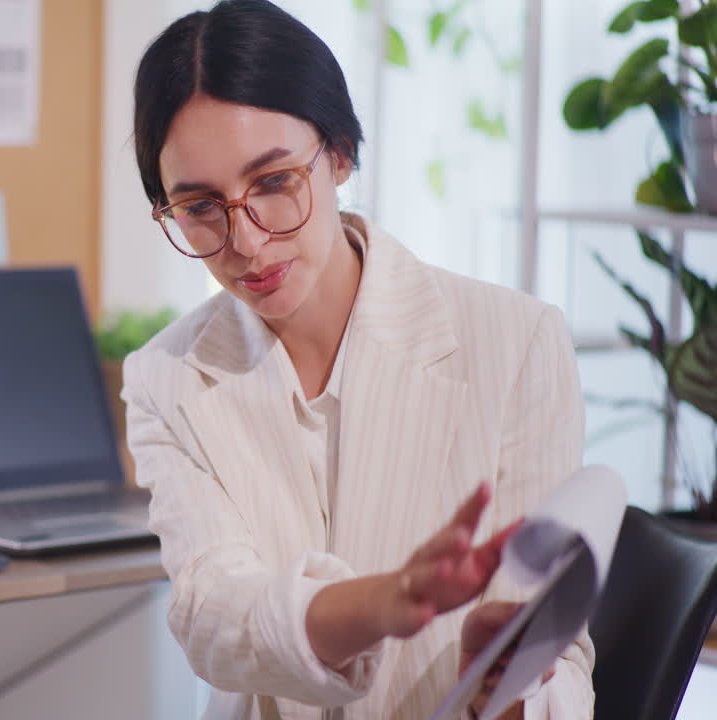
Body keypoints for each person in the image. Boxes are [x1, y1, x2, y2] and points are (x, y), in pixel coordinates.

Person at [123, 1, 592, 718]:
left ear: (339, 153)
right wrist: (386, 601)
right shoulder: (166, 376)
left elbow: (556, 657)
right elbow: (212, 614)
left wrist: (509, 688)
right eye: (200, 207)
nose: (246, 242)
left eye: (274, 182)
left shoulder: (518, 342)